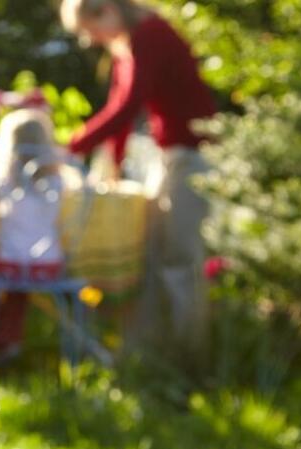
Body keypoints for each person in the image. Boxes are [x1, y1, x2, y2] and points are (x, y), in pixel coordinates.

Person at [60, 0, 217, 374]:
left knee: (180, 259)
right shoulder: (127, 46)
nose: (92, 40)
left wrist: (70, 148)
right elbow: (121, 105)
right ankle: (148, 352)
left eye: (90, 30)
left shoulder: (151, 35)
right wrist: (111, 164)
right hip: (167, 156)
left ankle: (191, 359)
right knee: (149, 253)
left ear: (106, 10)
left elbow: (129, 104)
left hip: (192, 156)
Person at [0, 109, 71, 357]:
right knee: (17, 287)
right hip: (49, 264)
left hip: (10, 263)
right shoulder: (58, 178)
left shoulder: (1, 177)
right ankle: (7, 338)